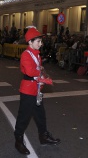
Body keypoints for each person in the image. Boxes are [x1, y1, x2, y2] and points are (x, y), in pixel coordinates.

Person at [14, 27, 61, 155]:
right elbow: (29, 71)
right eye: (38, 41)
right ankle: (18, 140)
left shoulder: (37, 55)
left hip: (36, 90)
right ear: (30, 42)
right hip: (28, 90)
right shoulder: (26, 54)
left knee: (40, 116)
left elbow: (38, 68)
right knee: (24, 117)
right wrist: (42, 76)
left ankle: (43, 136)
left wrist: (42, 77)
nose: (41, 44)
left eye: (41, 41)